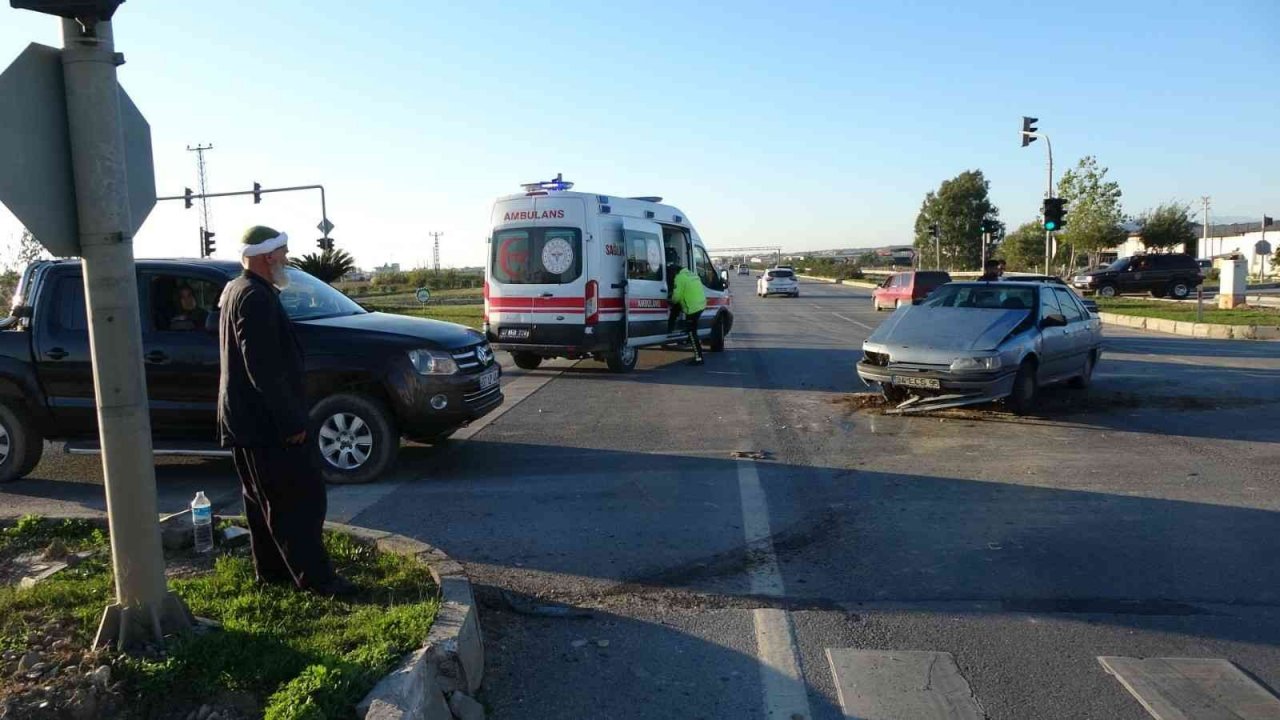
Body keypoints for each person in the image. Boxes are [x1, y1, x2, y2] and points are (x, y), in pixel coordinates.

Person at [217, 225, 354, 597]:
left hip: (247, 422)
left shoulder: (238, 289)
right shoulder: (255, 297)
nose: (287, 259)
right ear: (267, 257)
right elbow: (261, 367)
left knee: (264, 505)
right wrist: (291, 421)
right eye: (283, 253)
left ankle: (273, 574)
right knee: (297, 502)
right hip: (267, 426)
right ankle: (319, 582)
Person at [669, 253, 708, 366]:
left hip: (692, 308)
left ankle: (698, 358)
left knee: (692, 333)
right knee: (691, 328)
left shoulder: (679, 278)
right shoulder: (692, 274)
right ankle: (679, 331)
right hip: (700, 305)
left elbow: (677, 297)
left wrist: (670, 300)